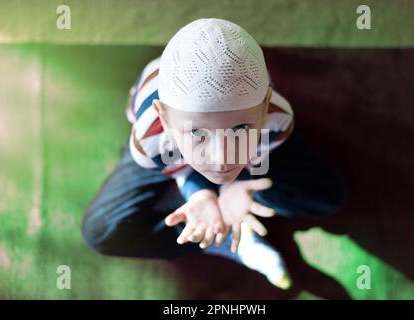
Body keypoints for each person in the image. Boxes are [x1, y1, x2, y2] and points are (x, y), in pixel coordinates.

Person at [81, 18, 346, 290]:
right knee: (101, 232)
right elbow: (182, 167)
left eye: (241, 127)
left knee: (328, 195)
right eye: (197, 133)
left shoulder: (277, 121)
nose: (222, 158)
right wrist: (200, 192)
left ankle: (213, 204)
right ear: (166, 119)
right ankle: (228, 238)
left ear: (265, 108)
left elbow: (254, 157)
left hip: (241, 150)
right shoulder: (150, 141)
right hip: (172, 153)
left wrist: (240, 185)